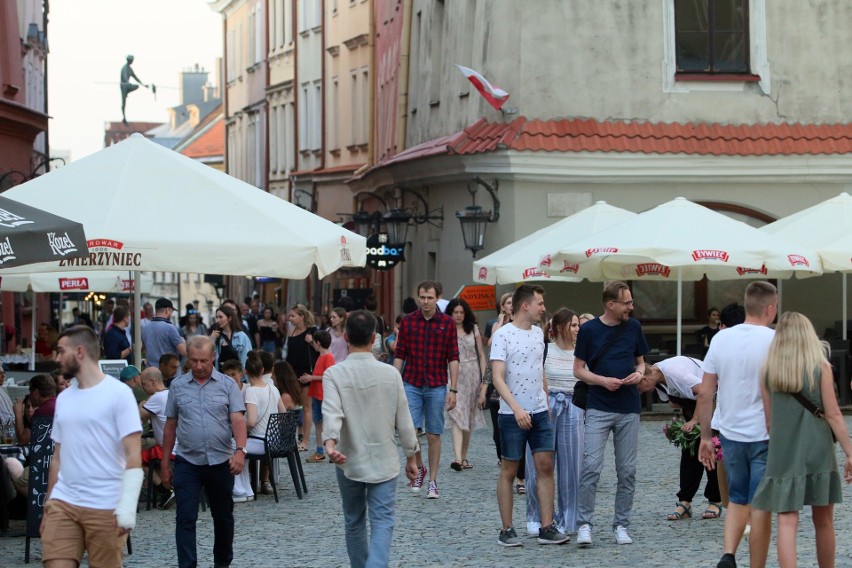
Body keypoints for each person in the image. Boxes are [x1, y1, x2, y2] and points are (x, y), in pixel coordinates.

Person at [751, 312, 852, 568]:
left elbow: (770, 422)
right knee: (824, 519)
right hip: (817, 448)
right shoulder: (820, 367)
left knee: (786, 520)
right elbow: (833, 414)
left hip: (783, 451)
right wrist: (850, 453)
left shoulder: (767, 371)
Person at [323, 310, 419, 567]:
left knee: (354, 521)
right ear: (374, 338)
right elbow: (405, 420)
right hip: (384, 458)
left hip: (348, 457)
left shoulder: (334, 374)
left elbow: (331, 413)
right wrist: (411, 455)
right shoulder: (391, 374)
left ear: (345, 337)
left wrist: (330, 443)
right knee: (383, 521)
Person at [41, 325, 143, 568]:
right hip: (64, 503)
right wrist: (47, 505)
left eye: (60, 351)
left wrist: (127, 508)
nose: (56, 358)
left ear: (79, 352)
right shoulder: (64, 399)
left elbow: (133, 455)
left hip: (106, 504)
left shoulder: (119, 394)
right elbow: (57, 456)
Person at [696, 281, 778, 568]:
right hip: (763, 434)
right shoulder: (773, 340)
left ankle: (728, 554)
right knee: (760, 505)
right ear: (770, 308)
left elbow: (705, 392)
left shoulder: (721, 339)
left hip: (729, 433)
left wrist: (705, 436)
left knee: (737, 499)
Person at [491, 284, 569, 546]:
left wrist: (545, 399)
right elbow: (497, 378)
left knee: (546, 466)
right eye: (540, 303)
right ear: (525, 305)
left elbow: (539, 370)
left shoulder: (538, 334)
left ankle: (547, 526)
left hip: (539, 411)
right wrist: (516, 408)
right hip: (511, 413)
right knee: (509, 469)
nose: (543, 308)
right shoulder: (503, 335)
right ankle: (506, 529)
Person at [161, 335, 247, 568]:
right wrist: (164, 462)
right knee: (185, 518)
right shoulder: (177, 386)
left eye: (204, 361)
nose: (198, 366)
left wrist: (240, 451)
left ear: (213, 358)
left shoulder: (227, 385)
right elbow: (170, 425)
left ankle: (222, 563)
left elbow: (238, 421)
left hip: (220, 461)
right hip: (187, 461)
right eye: (194, 361)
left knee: (223, 518)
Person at [574, 281, 649, 547]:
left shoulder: (634, 327)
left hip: (629, 407)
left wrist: (640, 373)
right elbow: (578, 369)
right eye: (627, 302)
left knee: (627, 471)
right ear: (611, 304)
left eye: (631, 302)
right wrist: (602, 381)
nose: (631, 306)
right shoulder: (589, 330)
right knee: (591, 467)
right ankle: (584, 524)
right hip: (598, 405)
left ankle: (621, 525)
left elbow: (641, 361)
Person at [393, 281, 460, 499]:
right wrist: (395, 383)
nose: (425, 301)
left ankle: (432, 480)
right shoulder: (409, 321)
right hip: (411, 382)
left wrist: (454, 389)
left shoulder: (447, 323)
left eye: (430, 297)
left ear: (437, 298)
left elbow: (453, 357)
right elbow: (400, 354)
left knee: (433, 433)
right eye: (422, 297)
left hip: (436, 384)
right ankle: (419, 467)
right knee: (410, 431)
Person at [525, 308, 584, 536]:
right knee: (539, 464)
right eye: (573, 325)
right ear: (559, 327)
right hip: (545, 406)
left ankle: (569, 517)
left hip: (573, 407)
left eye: (578, 325)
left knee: (572, 467)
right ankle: (535, 516)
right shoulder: (545, 349)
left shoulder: (582, 352)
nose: (577, 329)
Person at [639, 356, 721, 521]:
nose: (640, 392)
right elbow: (674, 403)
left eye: (638, 387)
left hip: (713, 403)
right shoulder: (659, 374)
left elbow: (706, 390)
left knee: (711, 450)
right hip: (696, 406)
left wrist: (695, 419)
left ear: (645, 378)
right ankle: (685, 500)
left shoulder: (676, 373)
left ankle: (715, 500)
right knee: (689, 454)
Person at [483, 292, 527, 495]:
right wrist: (484, 386)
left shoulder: (527, 327)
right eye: (507, 303)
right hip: (498, 387)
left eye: (512, 303)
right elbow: (492, 349)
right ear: (502, 307)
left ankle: (520, 476)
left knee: (521, 431)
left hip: (521, 386)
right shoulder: (497, 326)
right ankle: (505, 461)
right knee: (498, 434)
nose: (510, 306)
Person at [444, 298, 486, 472]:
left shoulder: (473, 329)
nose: (459, 316)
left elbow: (482, 355)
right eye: (456, 312)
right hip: (452, 374)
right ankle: (457, 458)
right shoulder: (446, 329)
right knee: (456, 413)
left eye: (461, 312)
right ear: (450, 313)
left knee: (467, 416)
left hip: (472, 374)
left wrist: (485, 381)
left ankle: (464, 455)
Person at [239, 352, 286, 497]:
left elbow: (251, 422)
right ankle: (256, 482)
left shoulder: (251, 391)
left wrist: (238, 427)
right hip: (275, 441)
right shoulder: (274, 389)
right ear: (262, 370)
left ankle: (241, 488)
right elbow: (283, 413)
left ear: (245, 372)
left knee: (232, 444)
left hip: (261, 443)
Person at [138, 367, 177, 510]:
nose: (142, 387)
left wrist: (142, 403)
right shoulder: (172, 393)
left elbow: (137, 418)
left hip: (169, 449)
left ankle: (165, 490)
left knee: (137, 459)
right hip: (181, 446)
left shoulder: (156, 398)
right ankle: (169, 489)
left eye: (144, 384)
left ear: (153, 381)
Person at [299, 330, 335, 463]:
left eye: (314, 342)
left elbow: (330, 375)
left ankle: (331, 450)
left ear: (318, 343)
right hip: (317, 394)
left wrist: (311, 377)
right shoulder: (321, 356)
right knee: (319, 423)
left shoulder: (328, 357)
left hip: (323, 395)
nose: (313, 344)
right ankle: (320, 451)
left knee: (326, 424)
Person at [285, 304, 317, 450]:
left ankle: (304, 441)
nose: (290, 318)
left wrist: (311, 341)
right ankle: (293, 436)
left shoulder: (312, 331)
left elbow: (321, 350)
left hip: (306, 373)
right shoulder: (290, 331)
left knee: (307, 407)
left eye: (293, 316)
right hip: (292, 373)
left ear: (301, 317)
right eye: (290, 316)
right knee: (290, 405)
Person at [141, 298, 187, 368]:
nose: (171, 314)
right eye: (171, 311)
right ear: (167, 310)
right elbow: (184, 352)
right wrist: (183, 341)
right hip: (168, 374)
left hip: (151, 372)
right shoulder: (170, 328)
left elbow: (144, 350)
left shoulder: (145, 328)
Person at [211, 305, 251, 370]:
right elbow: (209, 357)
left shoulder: (241, 336)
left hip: (237, 377)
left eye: (220, 317)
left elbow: (246, 360)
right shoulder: (217, 336)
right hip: (221, 377)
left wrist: (244, 379)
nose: (218, 320)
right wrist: (212, 339)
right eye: (217, 317)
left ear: (229, 318)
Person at [120, 54, 148, 124]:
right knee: (124, 102)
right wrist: (127, 83)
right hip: (123, 86)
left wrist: (143, 85)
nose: (132, 61)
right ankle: (124, 117)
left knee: (136, 86)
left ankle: (127, 92)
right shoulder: (124, 68)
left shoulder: (130, 69)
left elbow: (135, 77)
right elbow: (125, 77)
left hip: (127, 85)